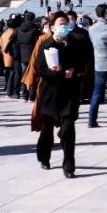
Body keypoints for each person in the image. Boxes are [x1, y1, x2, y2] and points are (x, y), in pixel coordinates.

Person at [35, 12, 87, 177]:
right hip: (51, 93)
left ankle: (69, 165)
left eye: (66, 23)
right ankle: (44, 156)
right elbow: (41, 69)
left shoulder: (76, 42)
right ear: (52, 27)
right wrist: (57, 72)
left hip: (69, 92)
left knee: (68, 130)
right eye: (60, 24)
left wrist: (74, 70)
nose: (64, 26)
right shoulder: (46, 44)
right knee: (47, 129)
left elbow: (83, 63)